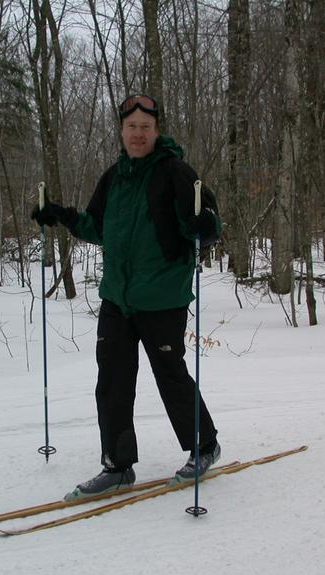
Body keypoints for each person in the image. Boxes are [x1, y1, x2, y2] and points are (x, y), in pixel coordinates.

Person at [31, 94, 221, 500]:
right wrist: (62, 216)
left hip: (163, 297)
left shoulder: (176, 173)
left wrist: (205, 225)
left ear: (156, 131)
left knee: (170, 375)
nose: (138, 134)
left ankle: (204, 446)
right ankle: (117, 467)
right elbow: (96, 227)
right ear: (121, 131)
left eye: (145, 127)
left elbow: (206, 223)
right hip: (118, 298)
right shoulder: (113, 179)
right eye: (131, 127)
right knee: (112, 381)